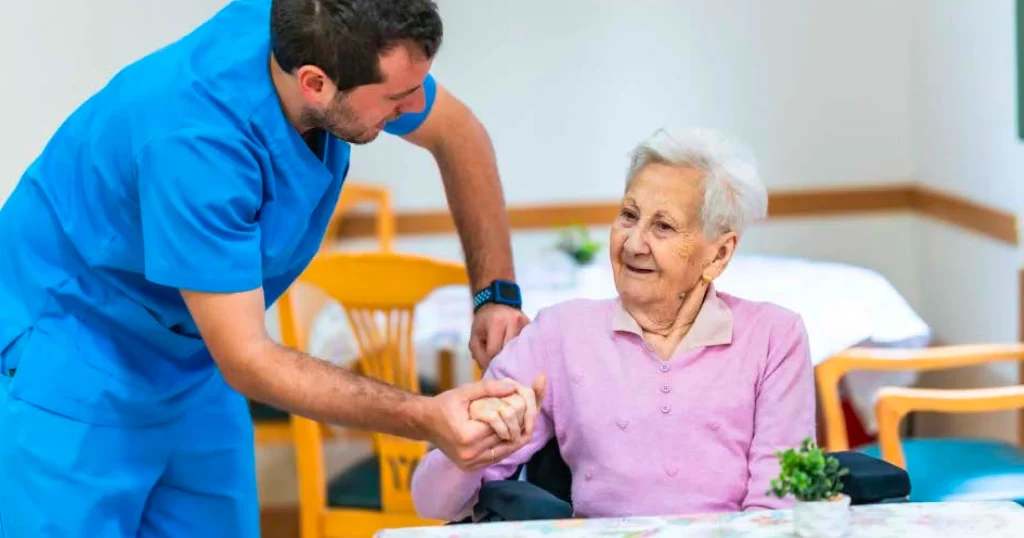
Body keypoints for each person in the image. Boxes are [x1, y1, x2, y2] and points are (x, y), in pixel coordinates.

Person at [0, 1, 539, 536]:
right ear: (315, 84)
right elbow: (248, 358)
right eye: (396, 100)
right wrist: (425, 418)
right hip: (72, 352)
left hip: (192, 358)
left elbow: (458, 134)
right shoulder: (196, 144)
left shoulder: (317, 25)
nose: (416, 106)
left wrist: (495, 292)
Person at [411, 127, 817, 521]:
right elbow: (433, 504)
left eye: (663, 226)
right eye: (629, 215)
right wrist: (475, 445)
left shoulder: (774, 338)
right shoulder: (560, 334)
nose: (634, 243)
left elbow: (777, 513)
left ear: (719, 255)